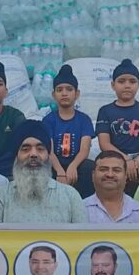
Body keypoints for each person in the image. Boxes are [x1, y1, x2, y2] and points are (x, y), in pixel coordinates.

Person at [0, 121, 88, 223]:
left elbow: (82, 233)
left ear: (49, 155)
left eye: (40, 149)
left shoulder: (70, 196)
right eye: (26, 149)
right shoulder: (0, 197)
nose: (33, 154)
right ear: (16, 156)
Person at [95, 58, 139, 190]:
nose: (127, 85)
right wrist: (126, 160)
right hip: (117, 156)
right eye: (121, 81)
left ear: (138, 84)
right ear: (113, 85)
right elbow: (104, 144)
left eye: (132, 81)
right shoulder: (105, 110)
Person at [43, 64, 95, 198]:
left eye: (69, 89)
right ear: (54, 95)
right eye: (59, 90)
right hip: (55, 165)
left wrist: (73, 166)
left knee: (90, 168)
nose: (64, 93)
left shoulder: (84, 119)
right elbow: (48, 150)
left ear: (77, 94)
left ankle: (84, 204)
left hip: (77, 165)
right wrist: (60, 171)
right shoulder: (48, 120)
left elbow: (84, 150)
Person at [82, 150, 139, 223]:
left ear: (125, 176)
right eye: (103, 169)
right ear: (93, 175)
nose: (110, 175)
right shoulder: (81, 209)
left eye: (116, 170)